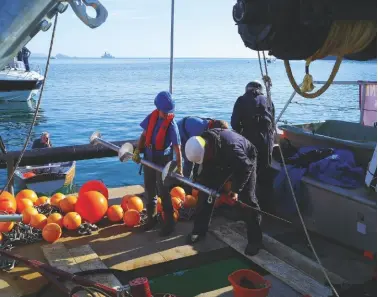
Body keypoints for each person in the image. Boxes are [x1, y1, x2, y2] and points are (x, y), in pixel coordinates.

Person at [184, 128, 263, 256]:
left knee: (248, 199)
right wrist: (197, 179)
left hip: (246, 159)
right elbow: (200, 163)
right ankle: (199, 230)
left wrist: (235, 190)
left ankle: (255, 241)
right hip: (219, 158)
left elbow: (246, 167)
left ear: (207, 149)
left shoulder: (232, 149)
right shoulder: (200, 143)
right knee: (206, 192)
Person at [132, 91, 183, 236]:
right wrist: (137, 151)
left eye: (169, 112)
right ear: (158, 109)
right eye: (164, 112)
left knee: (163, 191)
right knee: (149, 189)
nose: (166, 115)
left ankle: (170, 223)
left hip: (162, 161)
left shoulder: (172, 125)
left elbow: (177, 147)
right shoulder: (151, 117)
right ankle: (152, 219)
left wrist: (179, 167)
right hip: (149, 158)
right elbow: (143, 136)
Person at [231, 80, 275, 212]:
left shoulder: (241, 100)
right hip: (267, 143)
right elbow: (272, 121)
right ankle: (267, 208)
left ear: (247, 89)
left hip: (250, 142)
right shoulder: (268, 101)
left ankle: (248, 209)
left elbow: (234, 123)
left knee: (248, 174)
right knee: (265, 174)